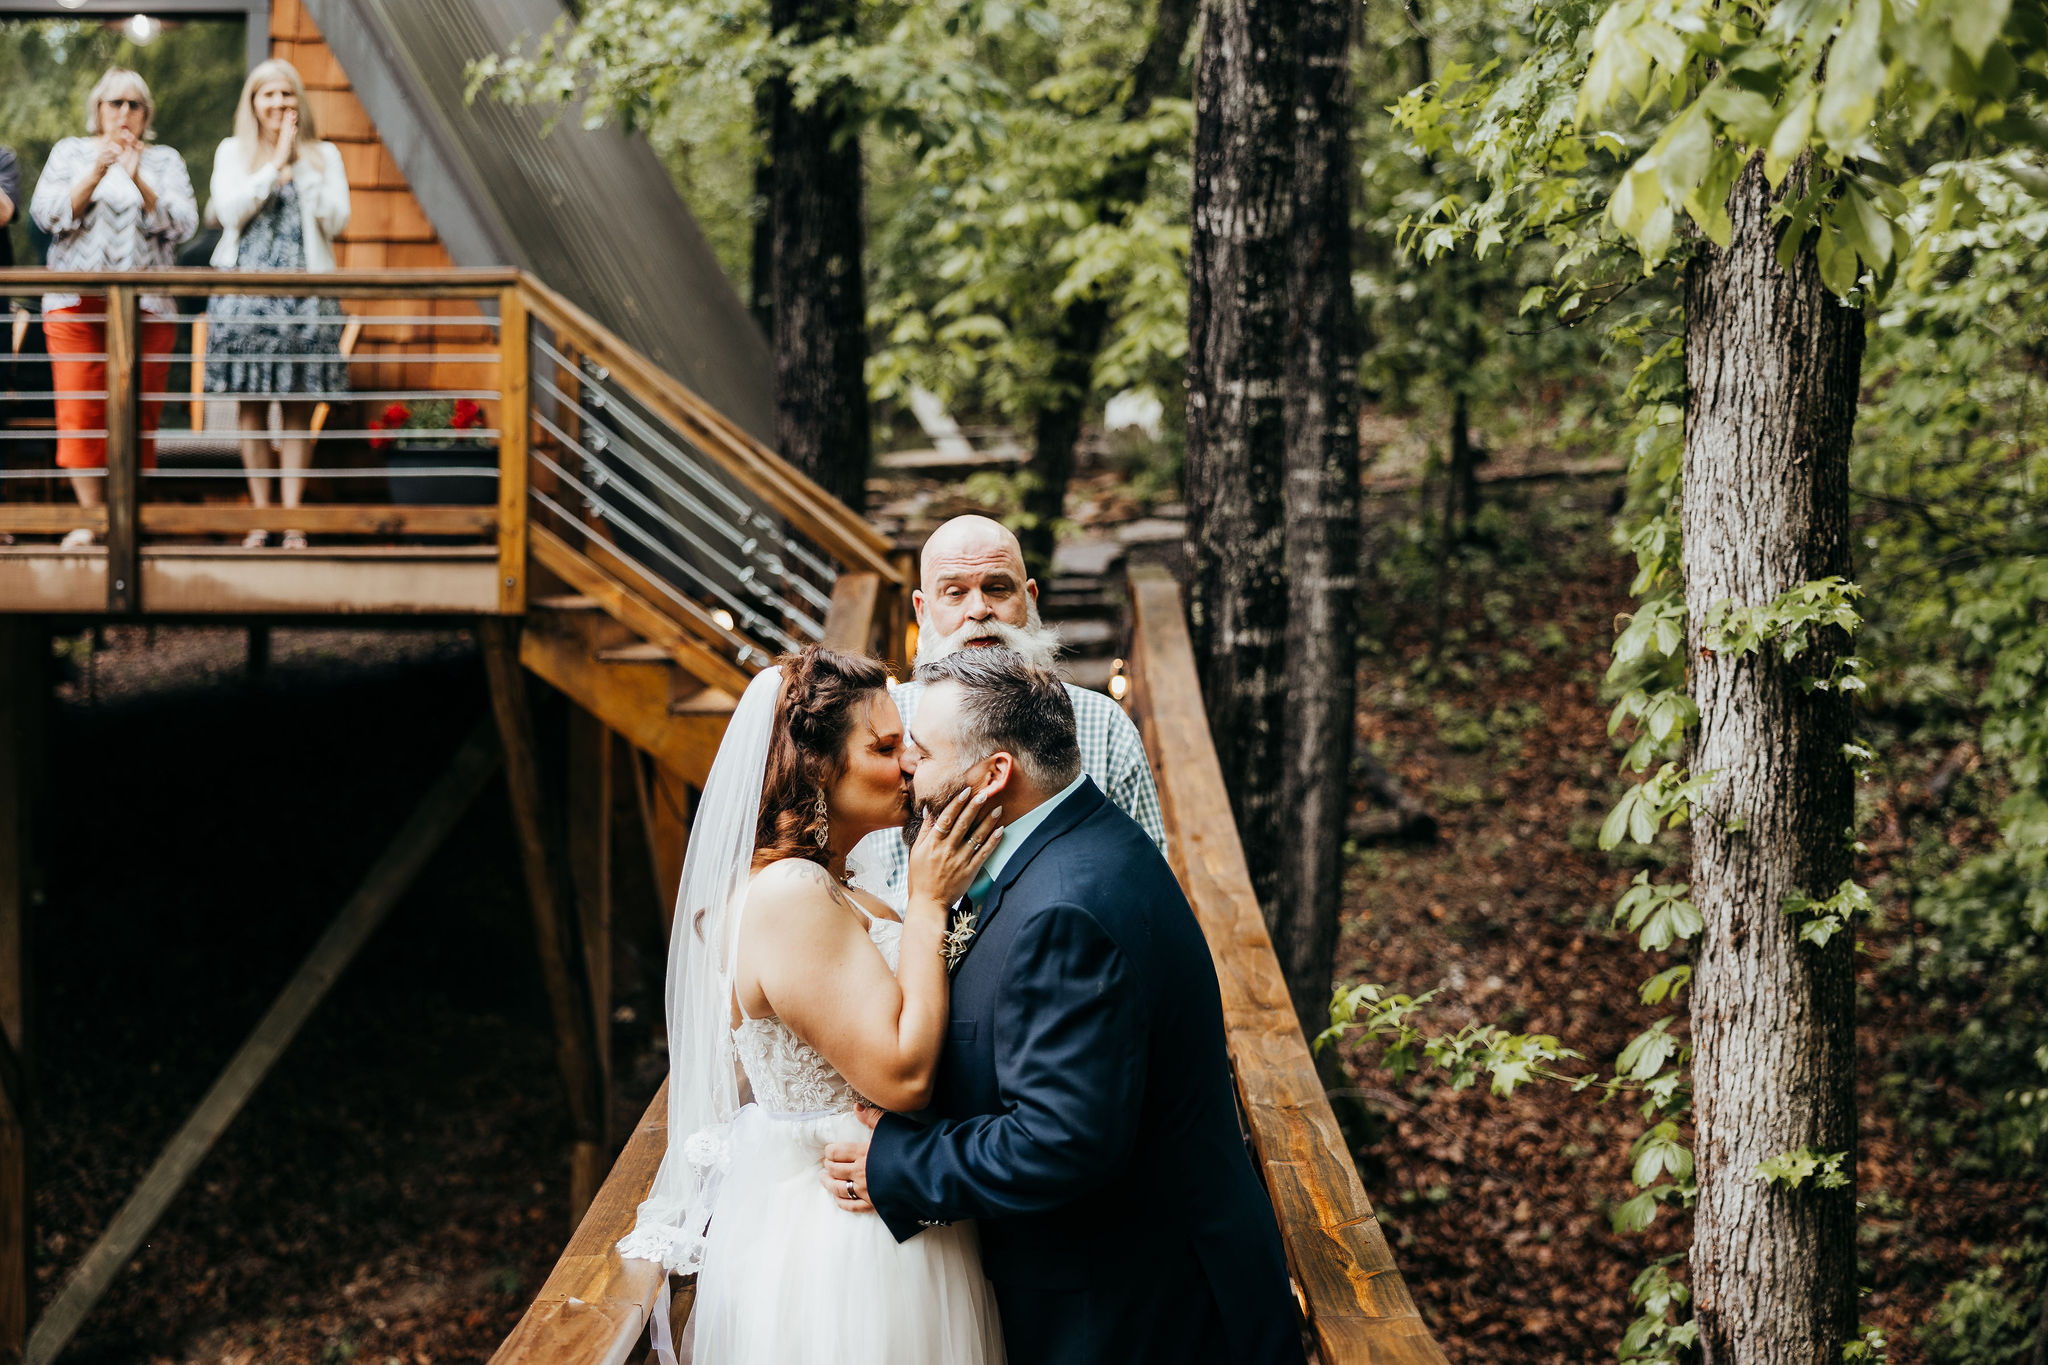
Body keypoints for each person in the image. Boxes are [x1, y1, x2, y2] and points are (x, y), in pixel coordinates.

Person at [821, 650, 1303, 1365]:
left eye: (921, 750)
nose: (908, 769)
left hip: (1134, 1313)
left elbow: (1059, 1142)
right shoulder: (1072, 841)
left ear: (993, 775)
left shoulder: (1066, 909)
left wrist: (896, 1160)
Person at [617, 646, 1007, 1365]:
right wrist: (927, 902)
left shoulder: (838, 889)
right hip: (842, 1242)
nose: (911, 764)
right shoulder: (790, 896)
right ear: (817, 767)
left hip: (888, 1201)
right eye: (886, 746)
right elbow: (901, 1076)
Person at [848, 514, 1164, 906]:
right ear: (922, 610)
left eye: (998, 588)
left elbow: (1148, 882)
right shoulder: (882, 724)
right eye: (954, 592)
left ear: (1030, 599)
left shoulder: (1104, 726)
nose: (979, 610)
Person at [29, 67, 197, 547]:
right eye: (114, 104)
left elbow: (183, 224)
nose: (124, 113)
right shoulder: (70, 153)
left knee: (137, 413)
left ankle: (126, 520)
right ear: (98, 110)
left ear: (147, 114)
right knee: (81, 410)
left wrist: (137, 175)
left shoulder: (165, 160)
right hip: (75, 307)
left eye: (134, 105)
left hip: (149, 310)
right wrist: (98, 169)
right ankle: (95, 520)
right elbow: (48, 215)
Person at [206, 58, 351, 549]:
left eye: (287, 94)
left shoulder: (325, 155)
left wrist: (302, 170)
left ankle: (293, 521)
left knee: (296, 407)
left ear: (299, 102)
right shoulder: (232, 153)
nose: (279, 103)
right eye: (268, 94)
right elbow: (228, 212)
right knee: (251, 407)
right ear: (253, 103)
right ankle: (261, 517)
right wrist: (273, 167)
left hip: (306, 299)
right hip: (246, 299)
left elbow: (337, 220)